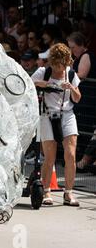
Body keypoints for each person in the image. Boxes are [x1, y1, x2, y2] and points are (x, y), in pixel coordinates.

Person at [31, 43, 81, 207]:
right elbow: (28, 86)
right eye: (56, 64)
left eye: (62, 65)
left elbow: (77, 98)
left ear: (67, 61)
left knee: (71, 154)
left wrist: (71, 88)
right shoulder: (42, 72)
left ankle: (68, 192)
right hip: (47, 115)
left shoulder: (71, 74)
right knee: (49, 156)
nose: (59, 69)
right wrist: (42, 84)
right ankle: (46, 191)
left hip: (67, 115)